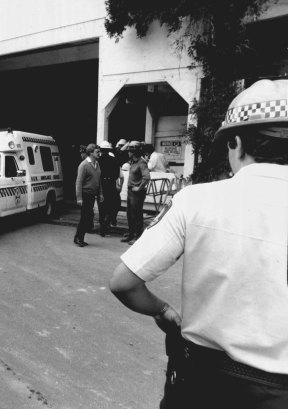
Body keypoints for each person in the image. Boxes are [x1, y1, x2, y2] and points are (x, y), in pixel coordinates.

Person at [109, 79, 288, 409]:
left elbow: (123, 282)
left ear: (235, 143)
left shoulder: (196, 201)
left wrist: (162, 310)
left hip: (201, 385)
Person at [73, 144, 103, 247]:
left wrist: (101, 193)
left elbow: (98, 180)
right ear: (91, 153)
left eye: (99, 152)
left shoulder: (97, 164)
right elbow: (79, 182)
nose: (99, 154)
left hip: (92, 195)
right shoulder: (84, 165)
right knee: (85, 217)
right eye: (97, 152)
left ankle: (78, 237)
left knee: (88, 217)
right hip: (85, 195)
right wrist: (79, 198)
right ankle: (79, 238)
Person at [120, 141, 149, 245]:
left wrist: (139, 187)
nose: (128, 153)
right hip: (130, 191)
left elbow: (147, 177)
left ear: (135, 153)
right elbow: (121, 152)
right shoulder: (132, 161)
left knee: (136, 214)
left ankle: (138, 236)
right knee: (130, 214)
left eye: (130, 151)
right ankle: (131, 234)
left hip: (137, 193)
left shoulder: (142, 162)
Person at [98, 141, 122, 234]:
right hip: (111, 184)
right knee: (112, 204)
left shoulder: (98, 160)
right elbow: (116, 174)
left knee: (101, 206)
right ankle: (107, 222)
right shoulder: (114, 160)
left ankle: (102, 226)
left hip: (101, 184)